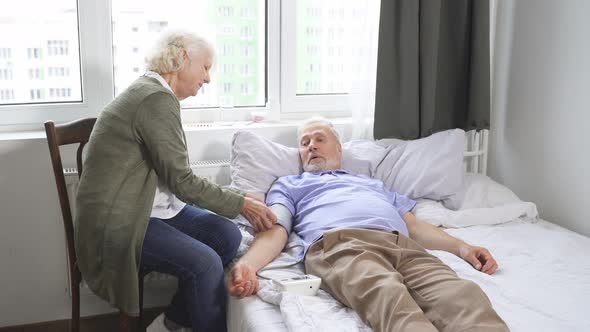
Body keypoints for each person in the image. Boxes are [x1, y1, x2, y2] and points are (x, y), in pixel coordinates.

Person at [74, 29, 276, 332]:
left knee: (227, 235)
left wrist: (237, 202)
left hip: (147, 209)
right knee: (206, 263)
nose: (208, 78)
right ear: (182, 57)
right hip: (121, 221)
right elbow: (182, 181)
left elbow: (175, 178)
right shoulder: (155, 99)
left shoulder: (153, 94)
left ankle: (170, 323)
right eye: (205, 66)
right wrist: (242, 203)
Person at [228, 118, 509, 332]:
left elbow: (414, 225)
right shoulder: (289, 184)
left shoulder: (372, 184)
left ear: (338, 148)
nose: (310, 145)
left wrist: (463, 248)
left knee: (462, 296)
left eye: (318, 139)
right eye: (304, 143)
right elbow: (276, 229)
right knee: (389, 298)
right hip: (340, 246)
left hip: (402, 245)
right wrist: (248, 266)